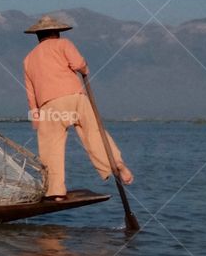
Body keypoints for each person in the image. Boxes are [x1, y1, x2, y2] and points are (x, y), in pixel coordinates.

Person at [22, 14, 133, 200]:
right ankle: (116, 165)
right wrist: (84, 69)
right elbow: (78, 64)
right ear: (56, 32)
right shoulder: (63, 44)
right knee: (94, 133)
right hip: (74, 97)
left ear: (38, 36)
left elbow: (30, 91)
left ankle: (55, 191)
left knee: (51, 147)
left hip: (49, 106)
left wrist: (35, 115)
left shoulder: (28, 59)